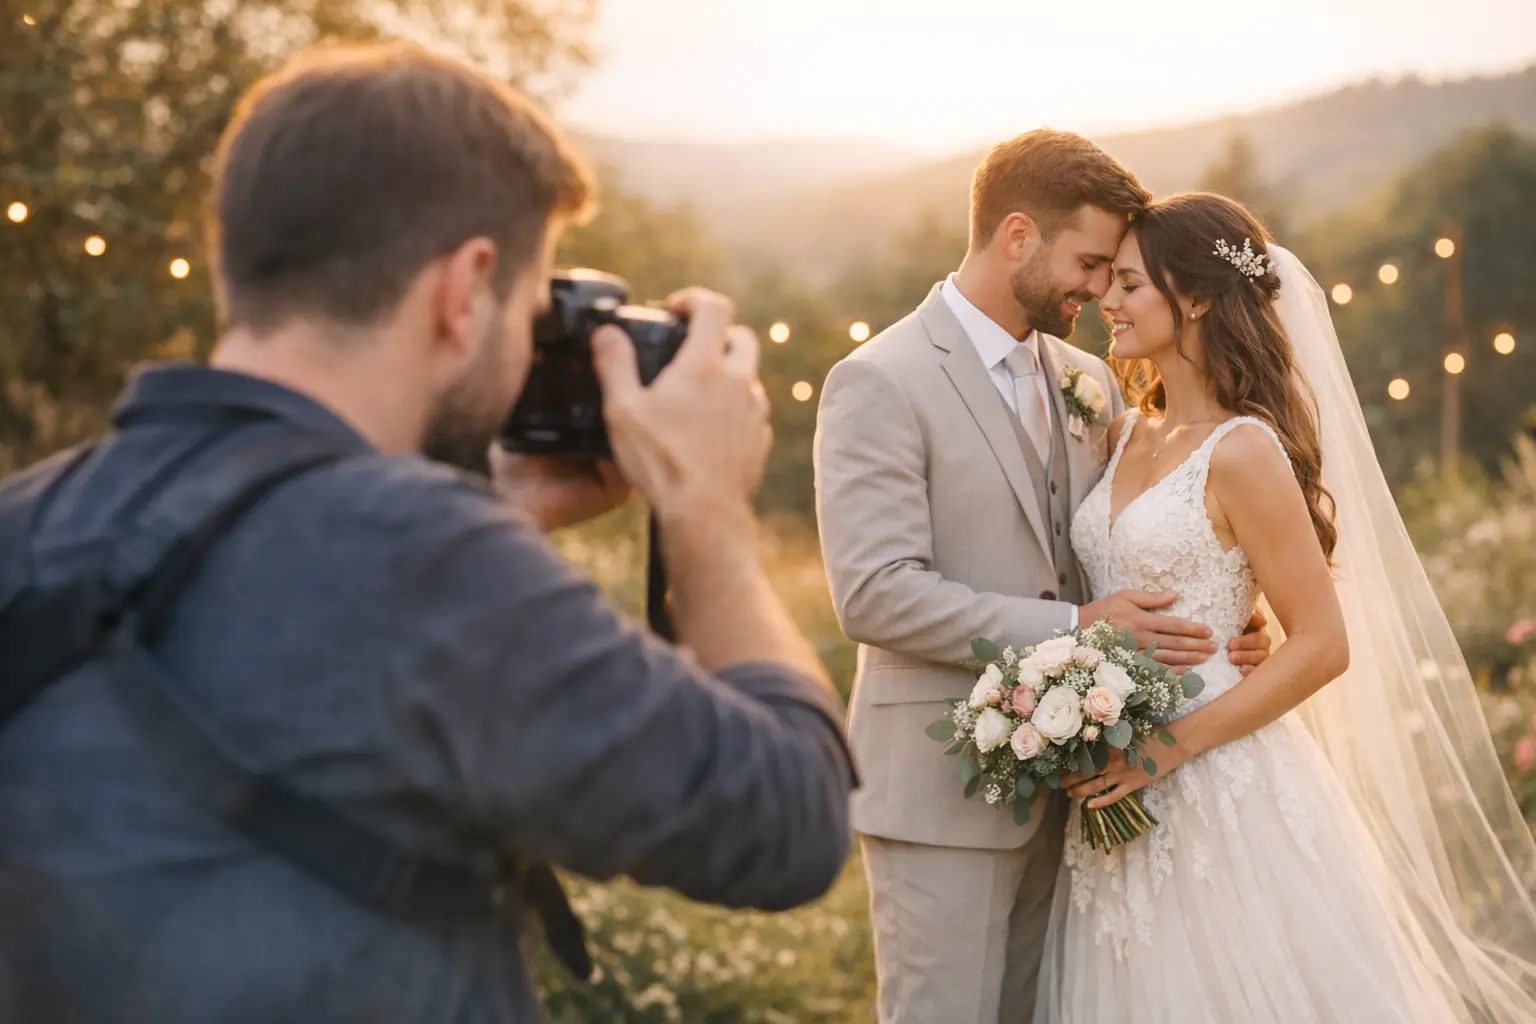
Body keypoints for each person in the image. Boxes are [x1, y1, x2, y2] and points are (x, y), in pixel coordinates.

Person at [0, 41, 856, 1023]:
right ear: (464, 288)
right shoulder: (422, 555)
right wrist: (705, 507)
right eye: (531, 311)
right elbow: (788, 818)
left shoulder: (32, 517)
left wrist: (500, 515)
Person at [1036, 192, 1536, 1022]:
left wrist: (1169, 747)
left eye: (1129, 285)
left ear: (1193, 297)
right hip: (1116, 779)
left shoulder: (1245, 450)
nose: (1106, 302)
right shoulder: (1123, 432)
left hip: (1216, 777)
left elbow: (1324, 643)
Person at [812, 131, 1272, 1024]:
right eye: (1091, 262)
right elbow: (874, 592)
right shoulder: (879, 381)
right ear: (1018, 236)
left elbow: (1131, 540)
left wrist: (1234, 618)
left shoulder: (1088, 378)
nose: (1100, 290)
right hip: (938, 795)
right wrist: (1080, 631)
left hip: (1075, 794)